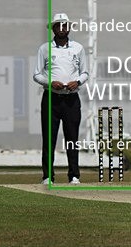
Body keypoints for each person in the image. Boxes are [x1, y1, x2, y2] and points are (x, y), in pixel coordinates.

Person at [33, 13, 89, 185]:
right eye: (59, 25)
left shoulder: (78, 48)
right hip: (51, 98)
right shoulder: (45, 49)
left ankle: (74, 175)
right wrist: (51, 83)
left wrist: (77, 81)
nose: (62, 28)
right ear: (53, 28)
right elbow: (36, 75)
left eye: (65, 25)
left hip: (71, 98)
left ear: (69, 27)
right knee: (49, 138)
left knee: (72, 138)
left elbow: (85, 73)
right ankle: (48, 176)